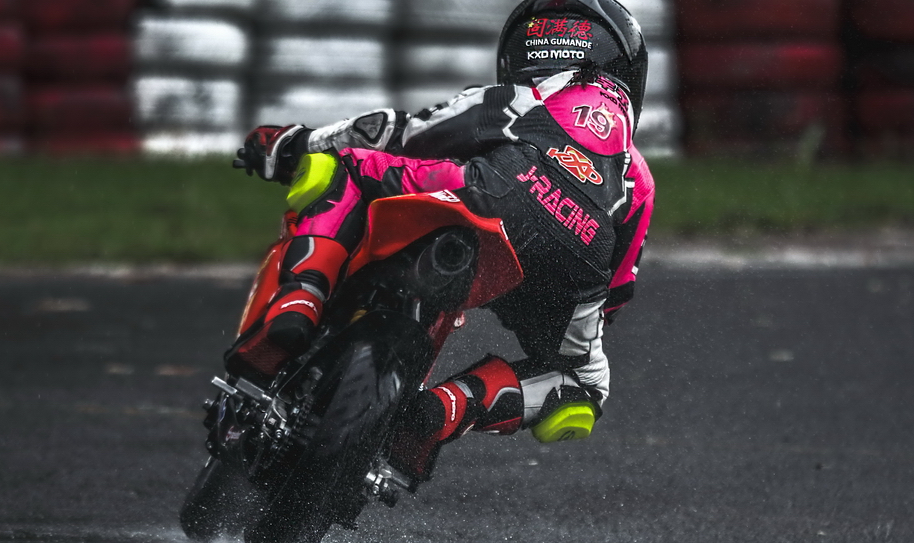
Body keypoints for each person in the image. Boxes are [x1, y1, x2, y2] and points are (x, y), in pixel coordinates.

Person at [225, 0, 655, 487]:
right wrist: (559, 312)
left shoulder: (524, 96)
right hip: (581, 256)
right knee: (584, 385)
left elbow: (401, 133)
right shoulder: (639, 176)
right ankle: (445, 410)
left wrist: (291, 144)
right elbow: (617, 290)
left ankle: (299, 301)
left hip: (494, 192)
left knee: (347, 167)